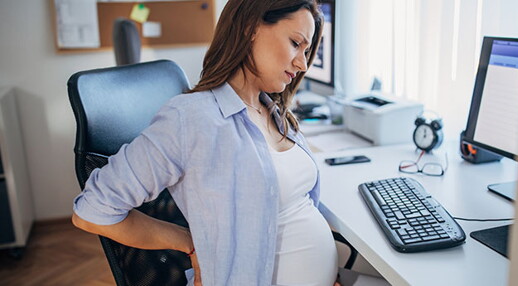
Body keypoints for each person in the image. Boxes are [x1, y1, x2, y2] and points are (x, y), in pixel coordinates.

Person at [72, 0, 342, 285]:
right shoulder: (190, 118)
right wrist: (189, 242)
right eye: (295, 43)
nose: (302, 64)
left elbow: (296, 208)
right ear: (251, 27)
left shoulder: (274, 112)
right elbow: (92, 212)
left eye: (307, 51)